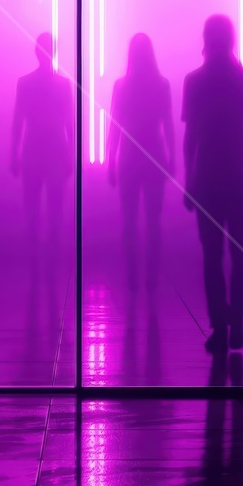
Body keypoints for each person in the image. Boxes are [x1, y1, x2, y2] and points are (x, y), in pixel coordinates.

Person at [181, 14, 243, 354]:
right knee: (240, 254)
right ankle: (236, 323)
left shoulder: (195, 81)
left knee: (212, 255)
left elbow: (190, 137)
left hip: (208, 176)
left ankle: (221, 325)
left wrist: (189, 180)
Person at [106, 33, 176, 294]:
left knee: (129, 220)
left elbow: (115, 124)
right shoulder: (162, 85)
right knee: (153, 221)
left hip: (129, 157)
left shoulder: (121, 86)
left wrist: (111, 160)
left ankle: (132, 276)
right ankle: (151, 277)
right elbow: (167, 122)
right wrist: (172, 157)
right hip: (154, 154)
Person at [10, 32, 74, 287]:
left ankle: (36, 261)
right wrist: (71, 154)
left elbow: (18, 120)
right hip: (55, 152)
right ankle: (51, 261)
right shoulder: (62, 84)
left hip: (33, 152)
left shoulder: (25, 83)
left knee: (32, 210)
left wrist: (13, 153)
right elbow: (68, 122)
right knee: (54, 209)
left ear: (37, 51)